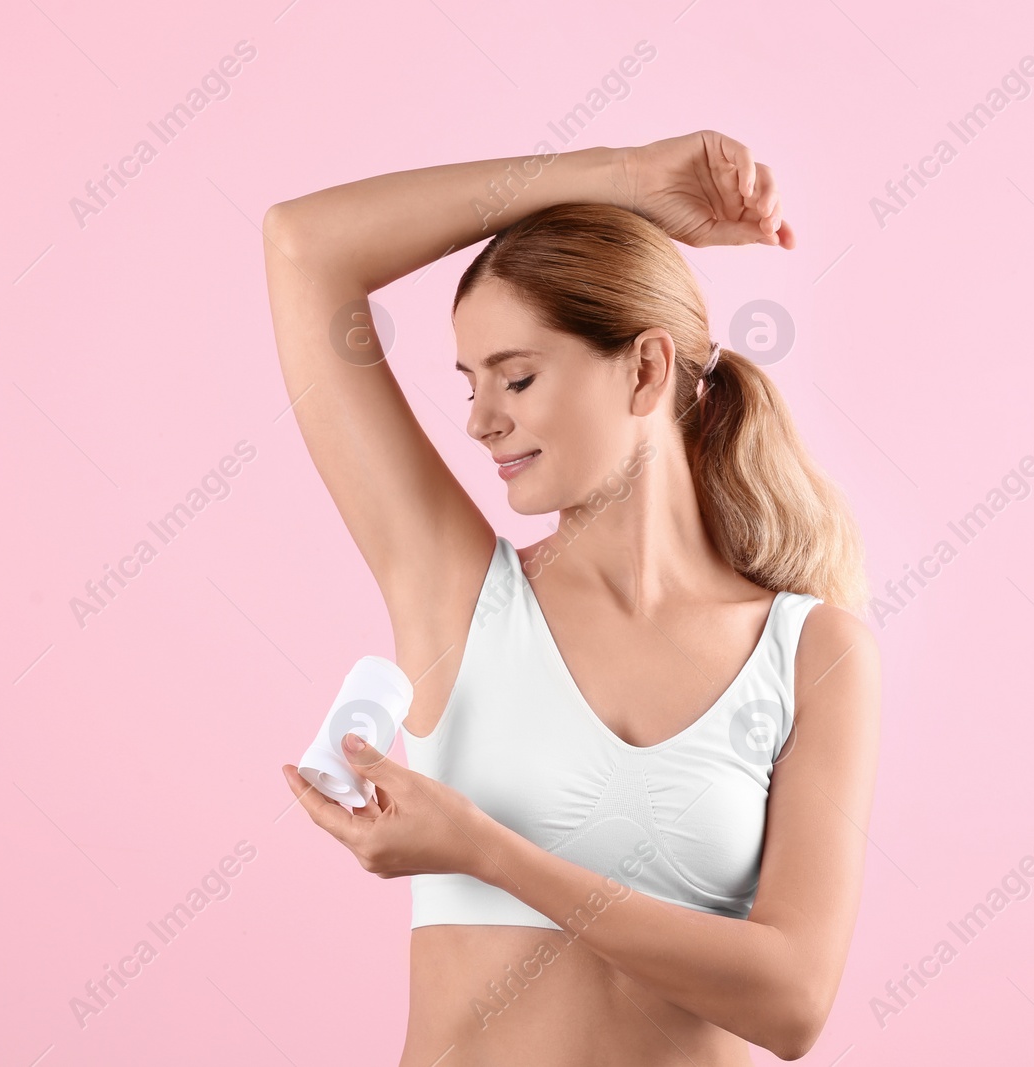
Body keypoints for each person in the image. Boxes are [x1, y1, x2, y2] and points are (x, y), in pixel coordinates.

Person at [267, 130, 881, 1065]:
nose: (479, 420)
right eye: (470, 383)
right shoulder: (458, 597)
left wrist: (485, 849)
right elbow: (303, 247)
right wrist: (622, 179)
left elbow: (791, 1000)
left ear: (644, 368)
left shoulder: (814, 651)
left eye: (516, 376)